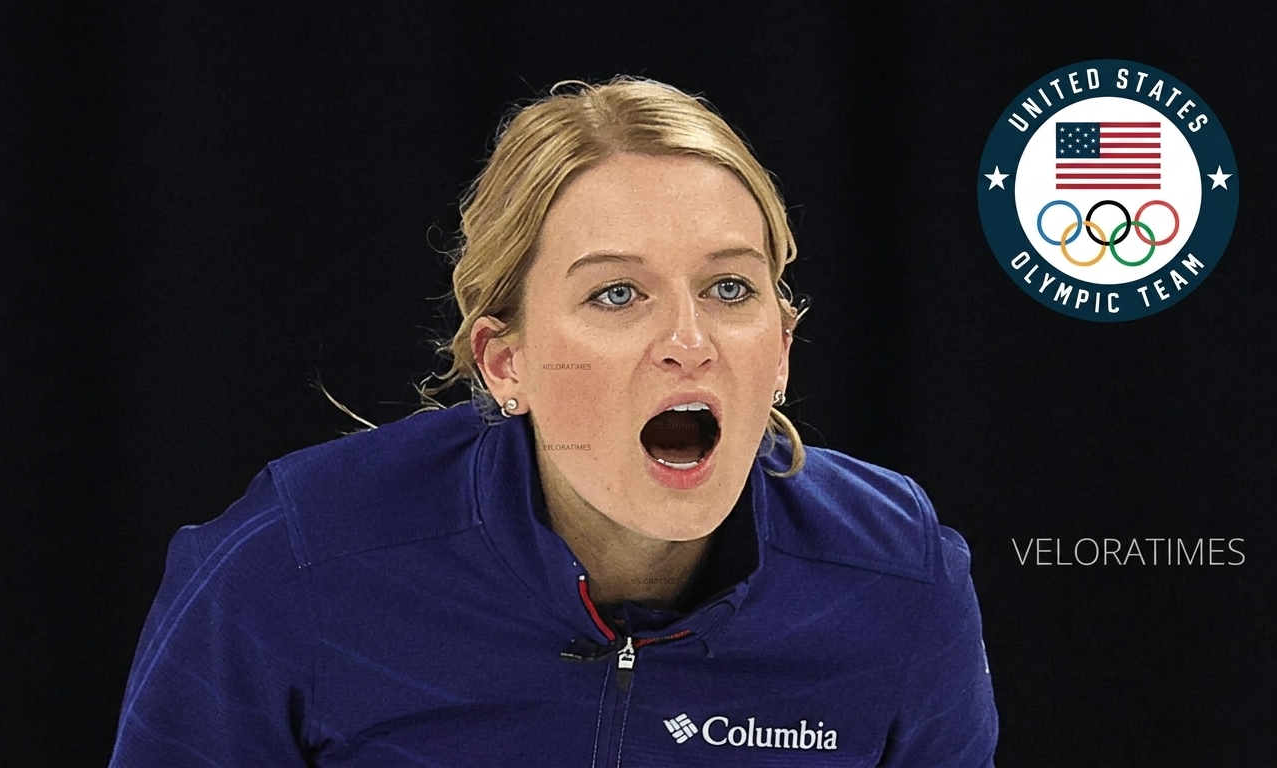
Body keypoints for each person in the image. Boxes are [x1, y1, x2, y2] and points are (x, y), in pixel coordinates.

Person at [109, 77, 998, 766]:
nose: (688, 344)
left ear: (783, 348)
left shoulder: (899, 576)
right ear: (505, 363)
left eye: (730, 288)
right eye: (616, 294)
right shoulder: (294, 558)